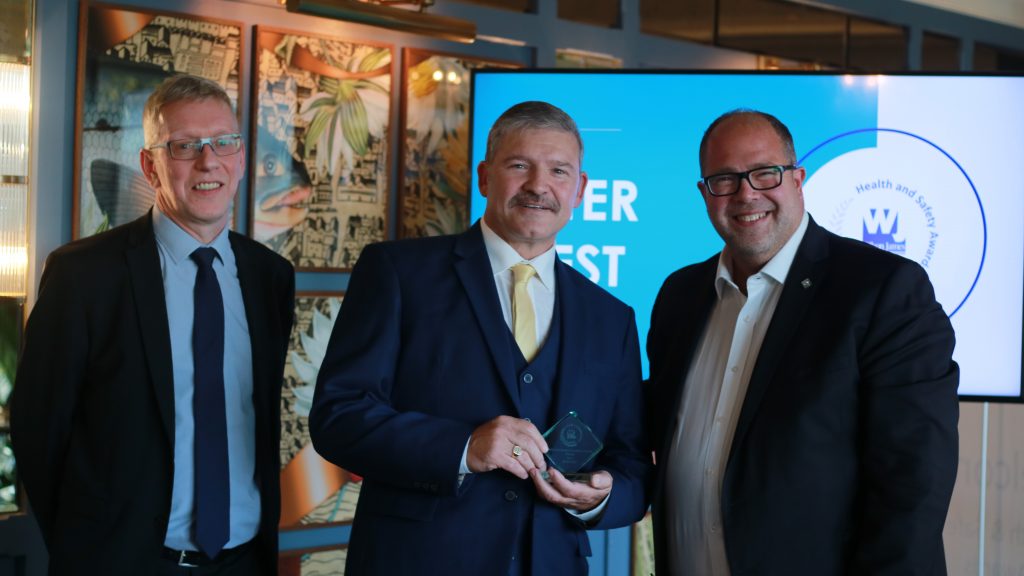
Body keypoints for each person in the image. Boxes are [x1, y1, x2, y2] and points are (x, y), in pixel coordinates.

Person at [310, 101, 651, 575]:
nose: (539, 186)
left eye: (558, 170)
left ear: (580, 190)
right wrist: (463, 447)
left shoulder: (611, 318)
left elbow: (632, 464)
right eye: (519, 166)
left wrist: (600, 496)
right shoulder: (398, 273)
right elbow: (338, 417)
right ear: (485, 177)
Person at [646, 109, 959, 575]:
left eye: (765, 173)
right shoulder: (680, 295)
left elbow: (913, 483)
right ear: (704, 193)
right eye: (724, 179)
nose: (746, 193)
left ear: (797, 179)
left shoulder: (883, 290)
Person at [11, 74, 295, 574]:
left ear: (241, 158)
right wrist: (87, 551)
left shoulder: (270, 276)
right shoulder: (83, 274)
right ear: (150, 165)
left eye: (223, 142)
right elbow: (38, 432)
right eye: (184, 146)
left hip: (245, 562)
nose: (209, 161)